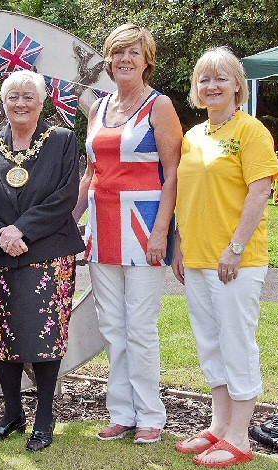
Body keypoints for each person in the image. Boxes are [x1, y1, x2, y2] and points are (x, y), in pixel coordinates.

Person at [72, 23, 182, 444]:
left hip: (144, 226)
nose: (125, 60)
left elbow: (172, 174)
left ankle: (151, 414)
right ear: (108, 59)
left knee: (140, 325)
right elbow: (90, 173)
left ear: (146, 60)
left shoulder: (160, 106)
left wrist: (161, 232)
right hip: (103, 228)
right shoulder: (98, 108)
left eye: (133, 53)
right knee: (112, 327)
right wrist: (72, 222)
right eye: (118, 52)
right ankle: (121, 411)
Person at [172, 46, 278, 468]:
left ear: (237, 84)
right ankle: (218, 425)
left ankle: (240, 436)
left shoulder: (251, 131)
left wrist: (235, 248)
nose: (211, 86)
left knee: (237, 343)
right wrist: (180, 244)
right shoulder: (193, 135)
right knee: (210, 344)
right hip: (197, 257)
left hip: (237, 259)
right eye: (204, 79)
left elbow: (260, 191)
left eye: (220, 78)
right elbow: (187, 193)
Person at [0, 69, 85, 452]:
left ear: (42, 101)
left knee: (45, 335)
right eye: (13, 96)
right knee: (4, 334)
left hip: (48, 252)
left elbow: (65, 195)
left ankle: (45, 417)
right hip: (0, 253)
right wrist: (2, 233)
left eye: (28, 96)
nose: (20, 103)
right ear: (3, 102)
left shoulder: (63, 140)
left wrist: (22, 231)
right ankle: (12, 413)